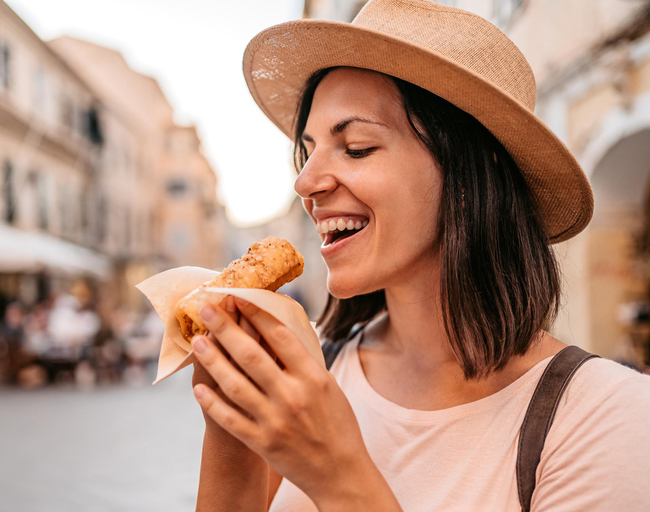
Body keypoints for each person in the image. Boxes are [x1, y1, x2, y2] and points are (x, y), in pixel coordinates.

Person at [190, 1, 650, 511]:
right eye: (308, 150)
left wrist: (339, 476)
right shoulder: (310, 372)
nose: (305, 183)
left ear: (470, 177)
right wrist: (229, 437)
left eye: (358, 147)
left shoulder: (606, 415)